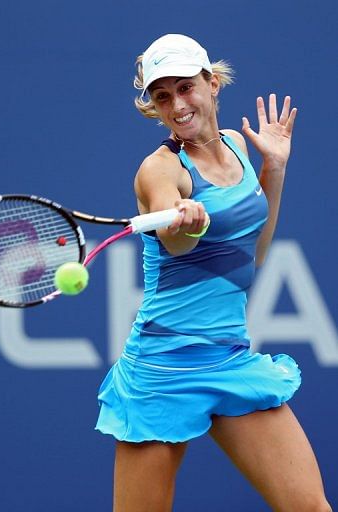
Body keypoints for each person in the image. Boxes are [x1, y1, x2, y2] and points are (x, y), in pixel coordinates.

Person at [95, 34, 332, 511]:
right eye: (163, 96)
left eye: (186, 87)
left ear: (213, 82)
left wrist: (275, 169)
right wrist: (186, 221)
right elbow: (175, 240)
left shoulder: (239, 145)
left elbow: (255, 255)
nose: (177, 105)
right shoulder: (159, 170)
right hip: (162, 371)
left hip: (228, 358)